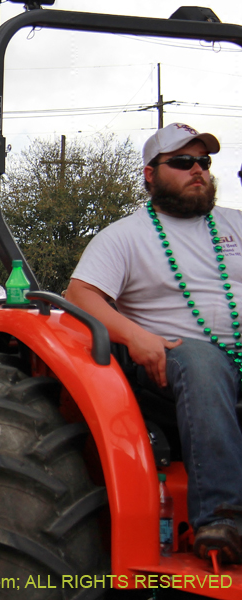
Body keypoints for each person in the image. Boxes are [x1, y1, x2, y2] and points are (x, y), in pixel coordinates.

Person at [65, 122, 242, 565]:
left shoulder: (235, 225)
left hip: (234, 354)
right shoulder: (124, 236)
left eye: (203, 162)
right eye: (182, 162)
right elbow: (80, 296)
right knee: (203, 362)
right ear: (150, 174)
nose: (197, 170)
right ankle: (223, 517)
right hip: (173, 361)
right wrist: (137, 336)